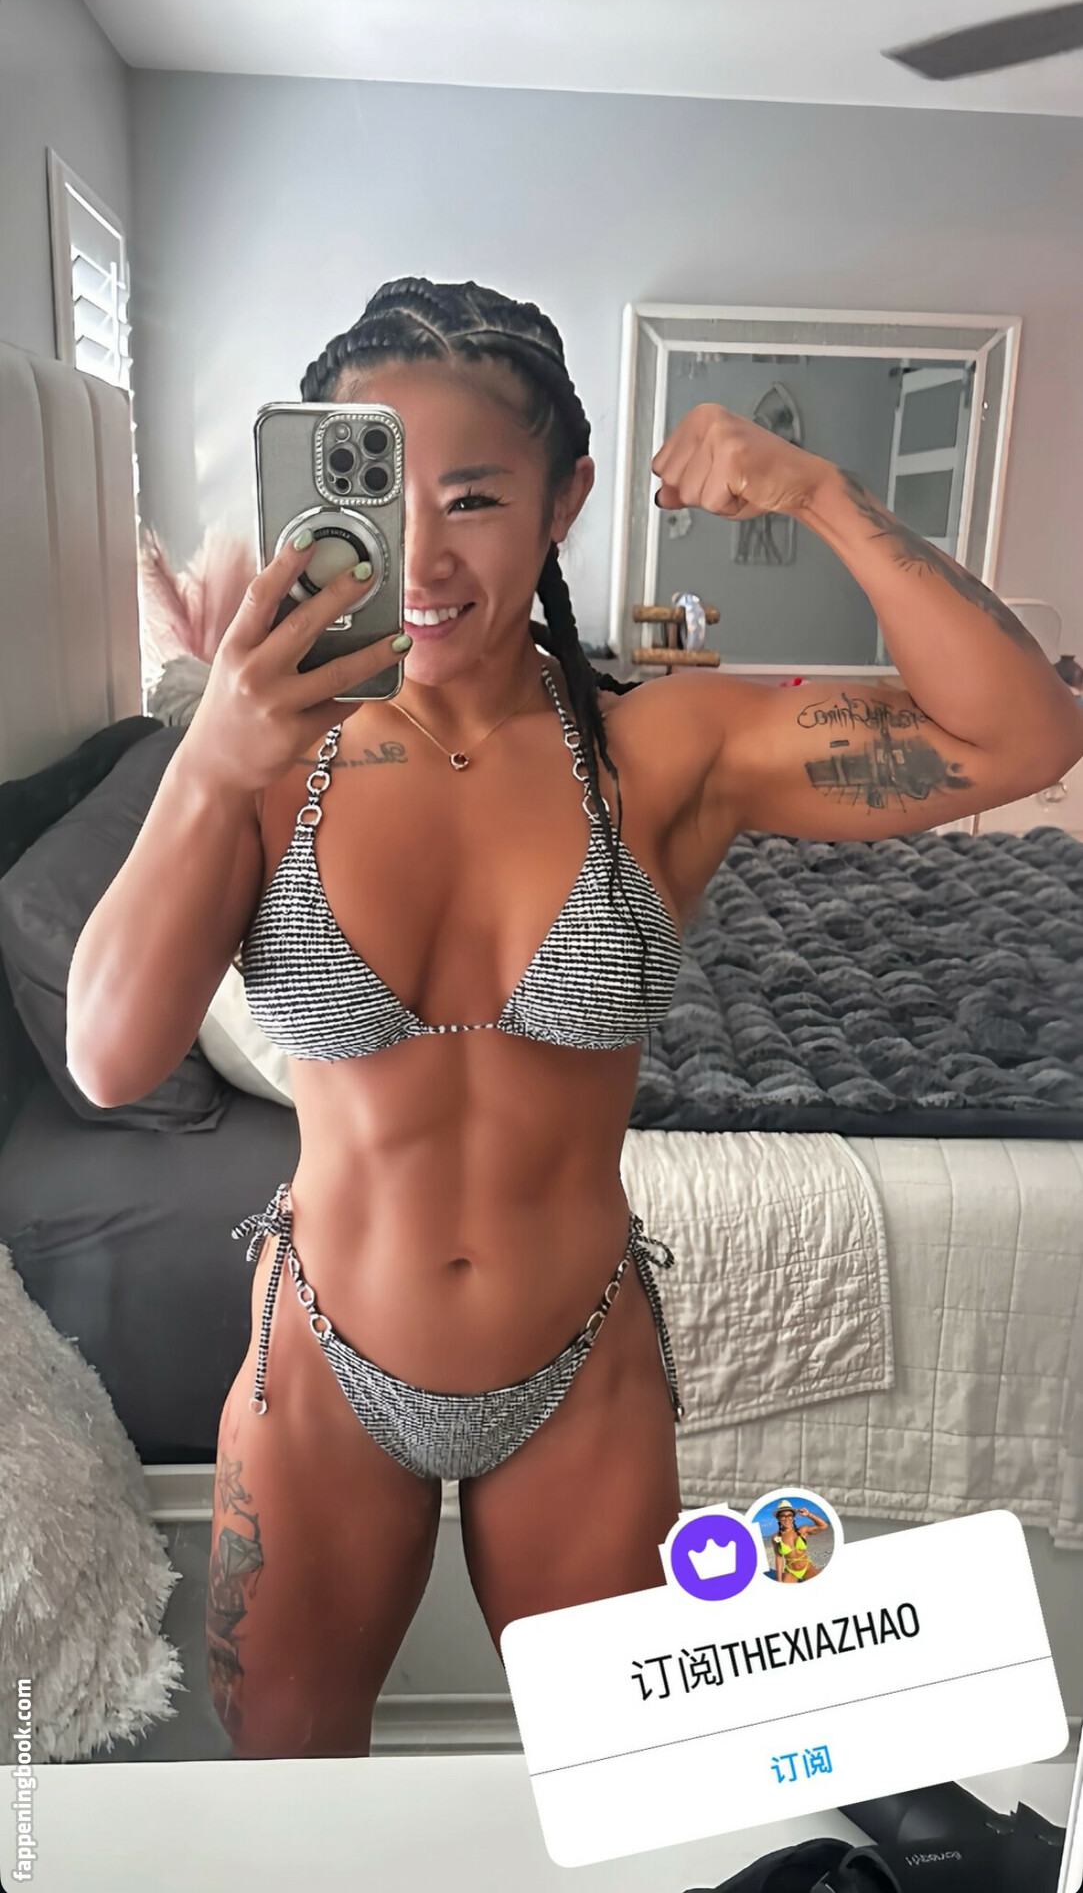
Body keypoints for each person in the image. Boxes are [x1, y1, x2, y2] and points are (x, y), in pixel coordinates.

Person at [66, 277, 1083, 1759]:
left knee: (612, 1774)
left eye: (474, 498)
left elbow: (1026, 735)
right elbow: (107, 1059)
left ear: (565, 503)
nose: (423, 555)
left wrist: (818, 493)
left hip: (579, 1366)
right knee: (290, 1789)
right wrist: (211, 757)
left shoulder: (659, 751)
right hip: (326, 1368)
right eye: (382, 495)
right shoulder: (268, 757)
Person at [771, 1503, 829, 1583]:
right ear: (778, 1518)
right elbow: (779, 1558)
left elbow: (823, 1526)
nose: (787, 1518)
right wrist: (779, 1580)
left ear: (793, 1517)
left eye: (790, 1515)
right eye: (783, 1516)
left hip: (807, 1568)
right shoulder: (776, 1537)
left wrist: (808, 1514)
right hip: (791, 1571)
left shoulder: (802, 1530)